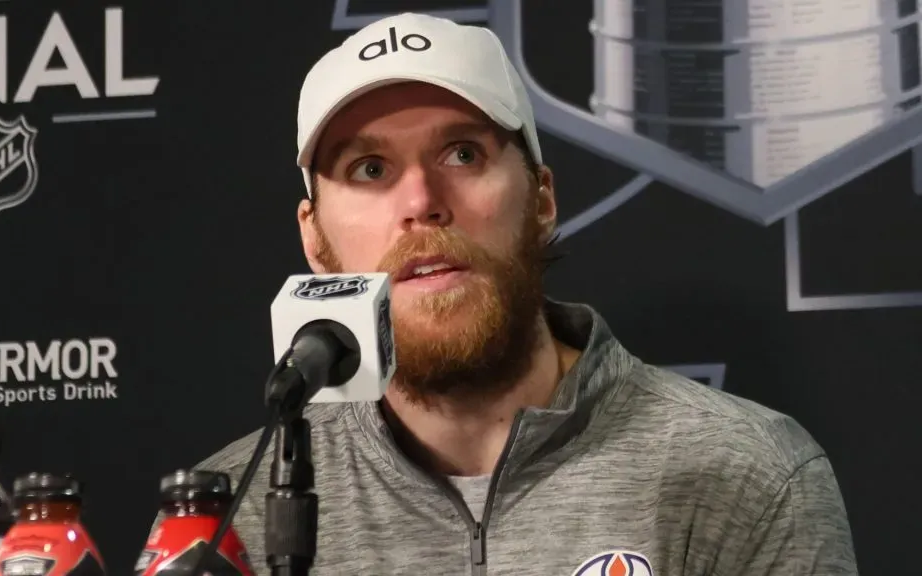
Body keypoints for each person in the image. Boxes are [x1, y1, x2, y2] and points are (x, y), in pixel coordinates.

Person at [192, 12, 858, 575]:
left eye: (462, 155)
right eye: (370, 169)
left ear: (541, 198)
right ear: (315, 237)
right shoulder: (230, 521)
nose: (422, 202)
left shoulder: (746, 472)